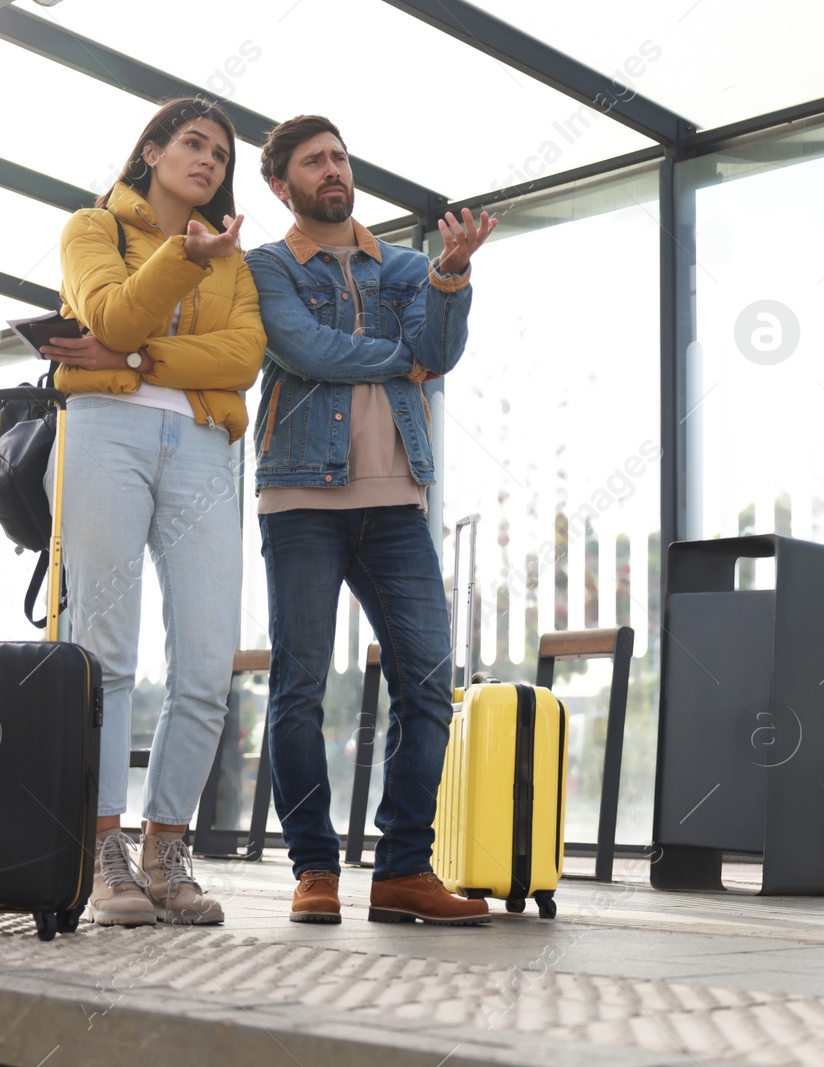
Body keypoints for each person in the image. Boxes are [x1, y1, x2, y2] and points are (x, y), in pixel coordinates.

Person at [246, 114, 497, 925]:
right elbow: (304, 348)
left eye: (339, 158)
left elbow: (441, 350)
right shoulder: (268, 266)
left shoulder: (405, 266)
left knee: (429, 683)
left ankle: (401, 870)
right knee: (301, 688)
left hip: (397, 501)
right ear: (282, 185)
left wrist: (451, 277)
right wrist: (405, 360)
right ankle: (314, 869)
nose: (332, 170)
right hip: (301, 498)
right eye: (314, 162)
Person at [41, 97, 265, 927]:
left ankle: (166, 851)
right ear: (152, 150)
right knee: (105, 650)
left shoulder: (233, 260)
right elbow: (112, 312)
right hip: (104, 432)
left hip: (206, 445)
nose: (207, 160)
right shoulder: (90, 229)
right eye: (193, 143)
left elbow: (242, 359)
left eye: (220, 152)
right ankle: (102, 850)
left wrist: (133, 356)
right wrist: (174, 272)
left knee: (208, 660)